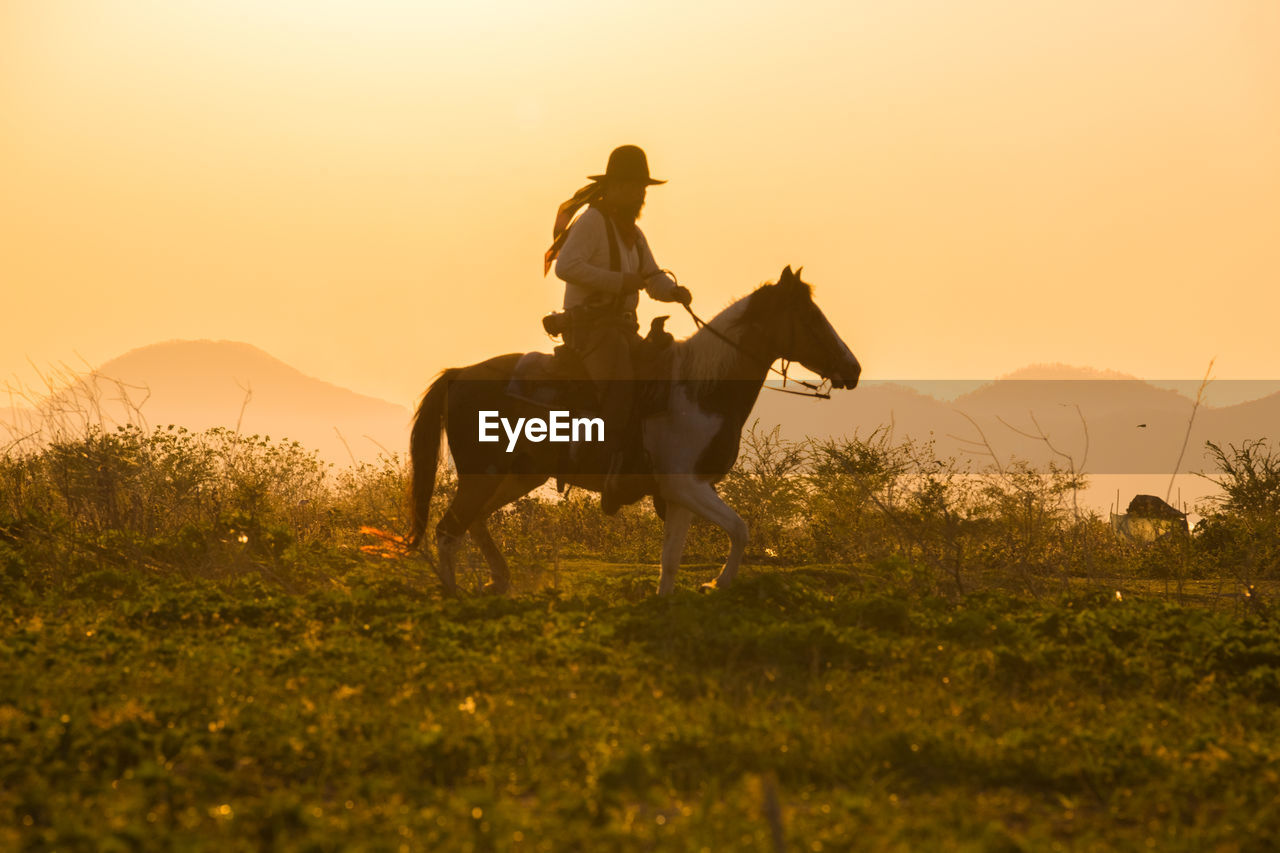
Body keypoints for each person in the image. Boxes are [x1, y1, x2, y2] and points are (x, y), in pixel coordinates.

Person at [543, 145, 692, 514]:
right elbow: (566, 267)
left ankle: (653, 469)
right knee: (622, 387)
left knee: (665, 376)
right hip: (591, 330)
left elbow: (651, 278)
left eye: (643, 188)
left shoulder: (634, 233)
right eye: (636, 187)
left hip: (623, 329)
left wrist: (672, 292)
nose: (642, 195)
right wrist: (619, 282)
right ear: (617, 187)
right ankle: (611, 470)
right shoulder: (592, 222)